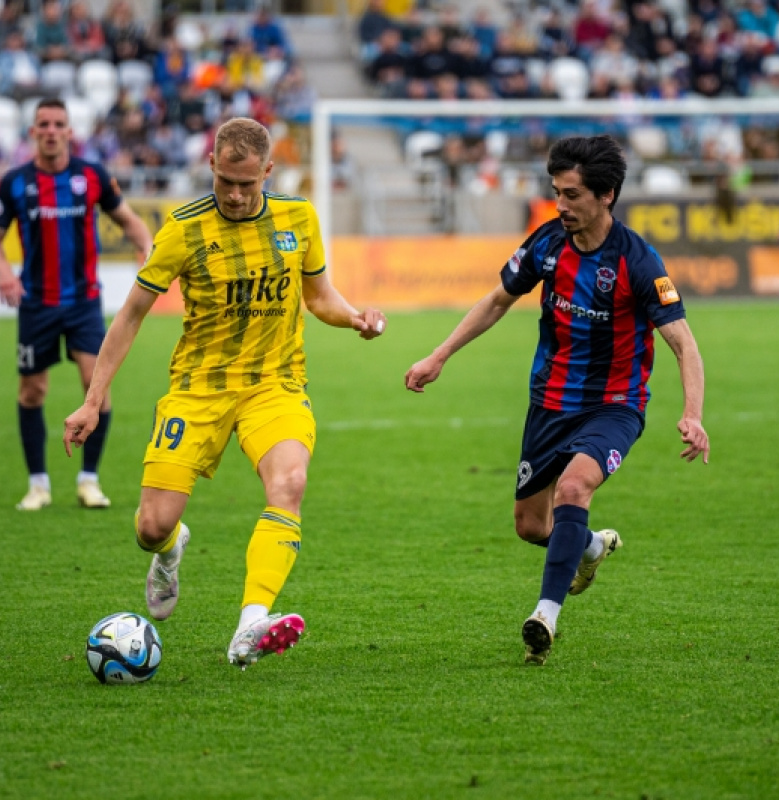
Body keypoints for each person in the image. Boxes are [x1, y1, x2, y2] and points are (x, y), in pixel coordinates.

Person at [63, 117, 387, 669]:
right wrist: (93, 399)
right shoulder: (182, 229)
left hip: (275, 384)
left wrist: (355, 317)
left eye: (248, 184)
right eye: (225, 182)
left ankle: (250, 624)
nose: (236, 196)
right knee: (151, 526)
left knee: (290, 482)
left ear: (268, 170)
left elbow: (320, 297)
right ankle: (169, 551)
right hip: (198, 391)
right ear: (210, 165)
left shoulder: (298, 218)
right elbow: (131, 315)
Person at [405, 135, 709, 666]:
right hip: (548, 402)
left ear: (606, 194)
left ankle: (545, 614)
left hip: (615, 404)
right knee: (531, 526)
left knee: (575, 485)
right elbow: (498, 300)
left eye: (571, 195)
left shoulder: (638, 260)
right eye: (556, 192)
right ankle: (589, 547)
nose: (561, 205)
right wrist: (440, 355)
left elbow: (683, 342)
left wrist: (692, 414)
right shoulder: (546, 243)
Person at [0, 98, 153, 511]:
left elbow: (129, 220)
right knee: (33, 391)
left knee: (96, 390)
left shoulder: (92, 175)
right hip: (36, 304)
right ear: (32, 132)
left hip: (85, 303)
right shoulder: (15, 182)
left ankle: (89, 479)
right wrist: (6, 272)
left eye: (58, 124)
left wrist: (147, 248)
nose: (51, 130)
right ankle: (38, 484)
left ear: (70, 132)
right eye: (43, 124)